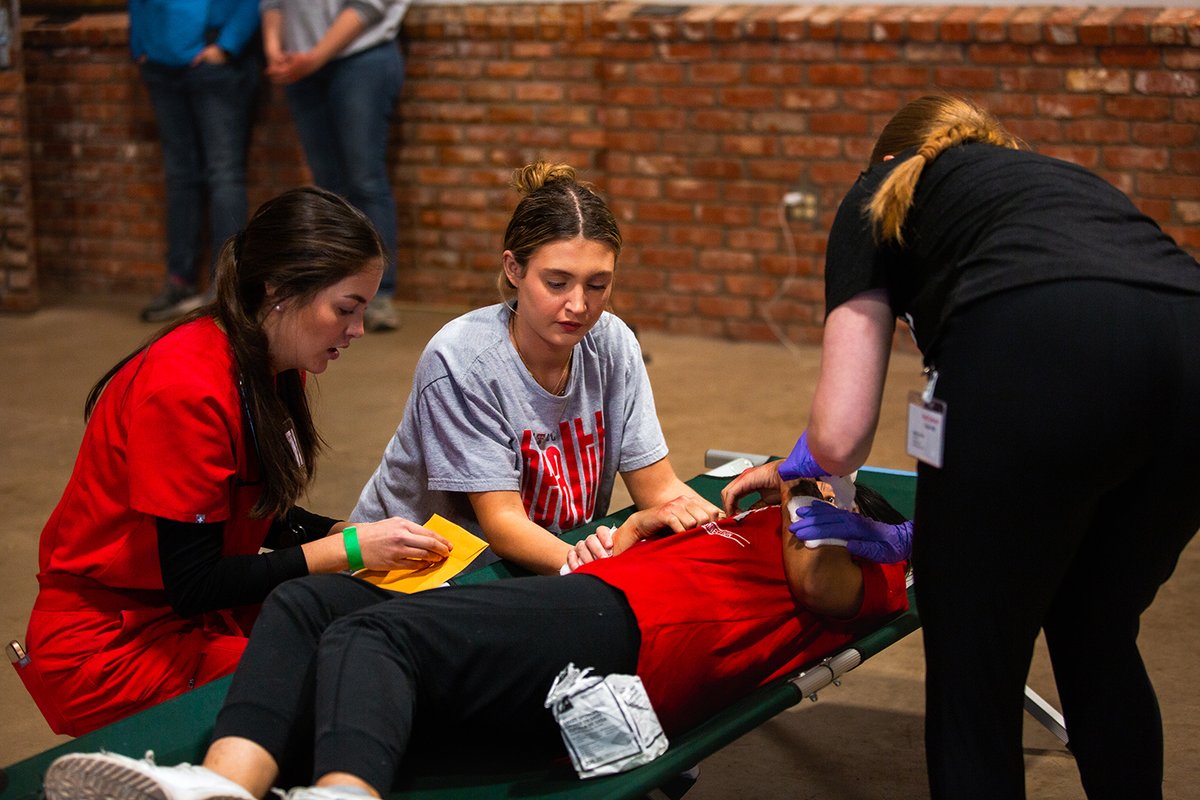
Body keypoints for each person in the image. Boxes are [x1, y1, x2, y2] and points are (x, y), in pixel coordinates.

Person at [722, 94, 1200, 800]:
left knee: (977, 670)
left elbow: (843, 432)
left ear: (888, 162)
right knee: (1095, 630)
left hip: (1039, 342)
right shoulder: (1043, 181)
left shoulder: (876, 191)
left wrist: (802, 469)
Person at [40, 477, 911, 800]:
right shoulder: (741, 527)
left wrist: (809, 488)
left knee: (380, 637)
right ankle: (222, 786)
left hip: (627, 642)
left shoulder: (857, 559)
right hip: (593, 611)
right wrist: (643, 527)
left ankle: (345, 795)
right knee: (315, 607)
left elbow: (819, 582)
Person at [23, 187, 454, 737]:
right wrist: (343, 549)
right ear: (277, 291)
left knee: (372, 634)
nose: (357, 330)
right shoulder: (187, 387)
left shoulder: (272, 357)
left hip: (180, 614)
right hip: (114, 642)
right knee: (352, 680)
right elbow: (195, 581)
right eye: (346, 309)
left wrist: (340, 530)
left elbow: (240, 505)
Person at [353, 161, 722, 575]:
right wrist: (601, 562)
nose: (580, 305)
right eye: (557, 283)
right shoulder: (461, 360)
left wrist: (726, 531)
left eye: (598, 284)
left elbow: (660, 488)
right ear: (514, 269)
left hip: (538, 564)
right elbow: (505, 524)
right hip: (414, 576)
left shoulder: (614, 343)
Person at [259, 0, 407, 332]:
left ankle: (377, 294)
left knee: (365, 181)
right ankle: (331, 288)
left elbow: (369, 6)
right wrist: (273, 49)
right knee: (327, 188)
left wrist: (315, 57)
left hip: (360, 56)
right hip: (301, 65)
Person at [131, 0, 262, 322]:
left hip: (214, 62)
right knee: (180, 177)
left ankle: (226, 287)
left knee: (224, 175)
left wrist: (226, 46)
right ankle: (180, 280)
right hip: (161, 66)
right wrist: (141, 45)